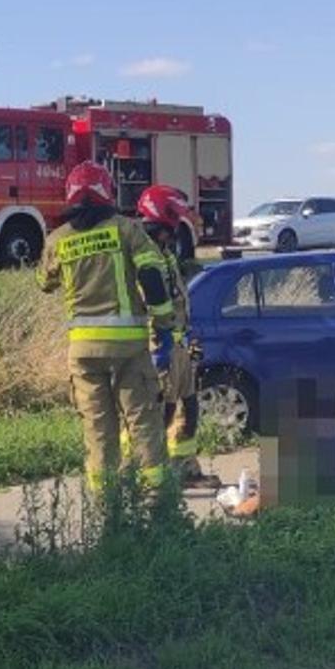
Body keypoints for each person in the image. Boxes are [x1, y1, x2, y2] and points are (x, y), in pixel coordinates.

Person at [38, 162, 177, 494]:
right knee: (143, 421)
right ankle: (157, 501)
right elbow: (152, 279)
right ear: (107, 192)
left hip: (83, 353)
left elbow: (44, 282)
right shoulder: (126, 230)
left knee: (98, 430)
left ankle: (107, 509)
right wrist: (164, 325)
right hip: (128, 348)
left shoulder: (58, 240)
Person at [135, 183, 209, 484]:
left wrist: (186, 337)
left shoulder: (163, 252)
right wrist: (159, 346)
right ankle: (148, 469)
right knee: (161, 412)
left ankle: (185, 466)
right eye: (171, 224)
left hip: (177, 343)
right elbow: (149, 300)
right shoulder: (143, 252)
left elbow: (176, 298)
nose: (174, 231)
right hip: (158, 343)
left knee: (189, 407)